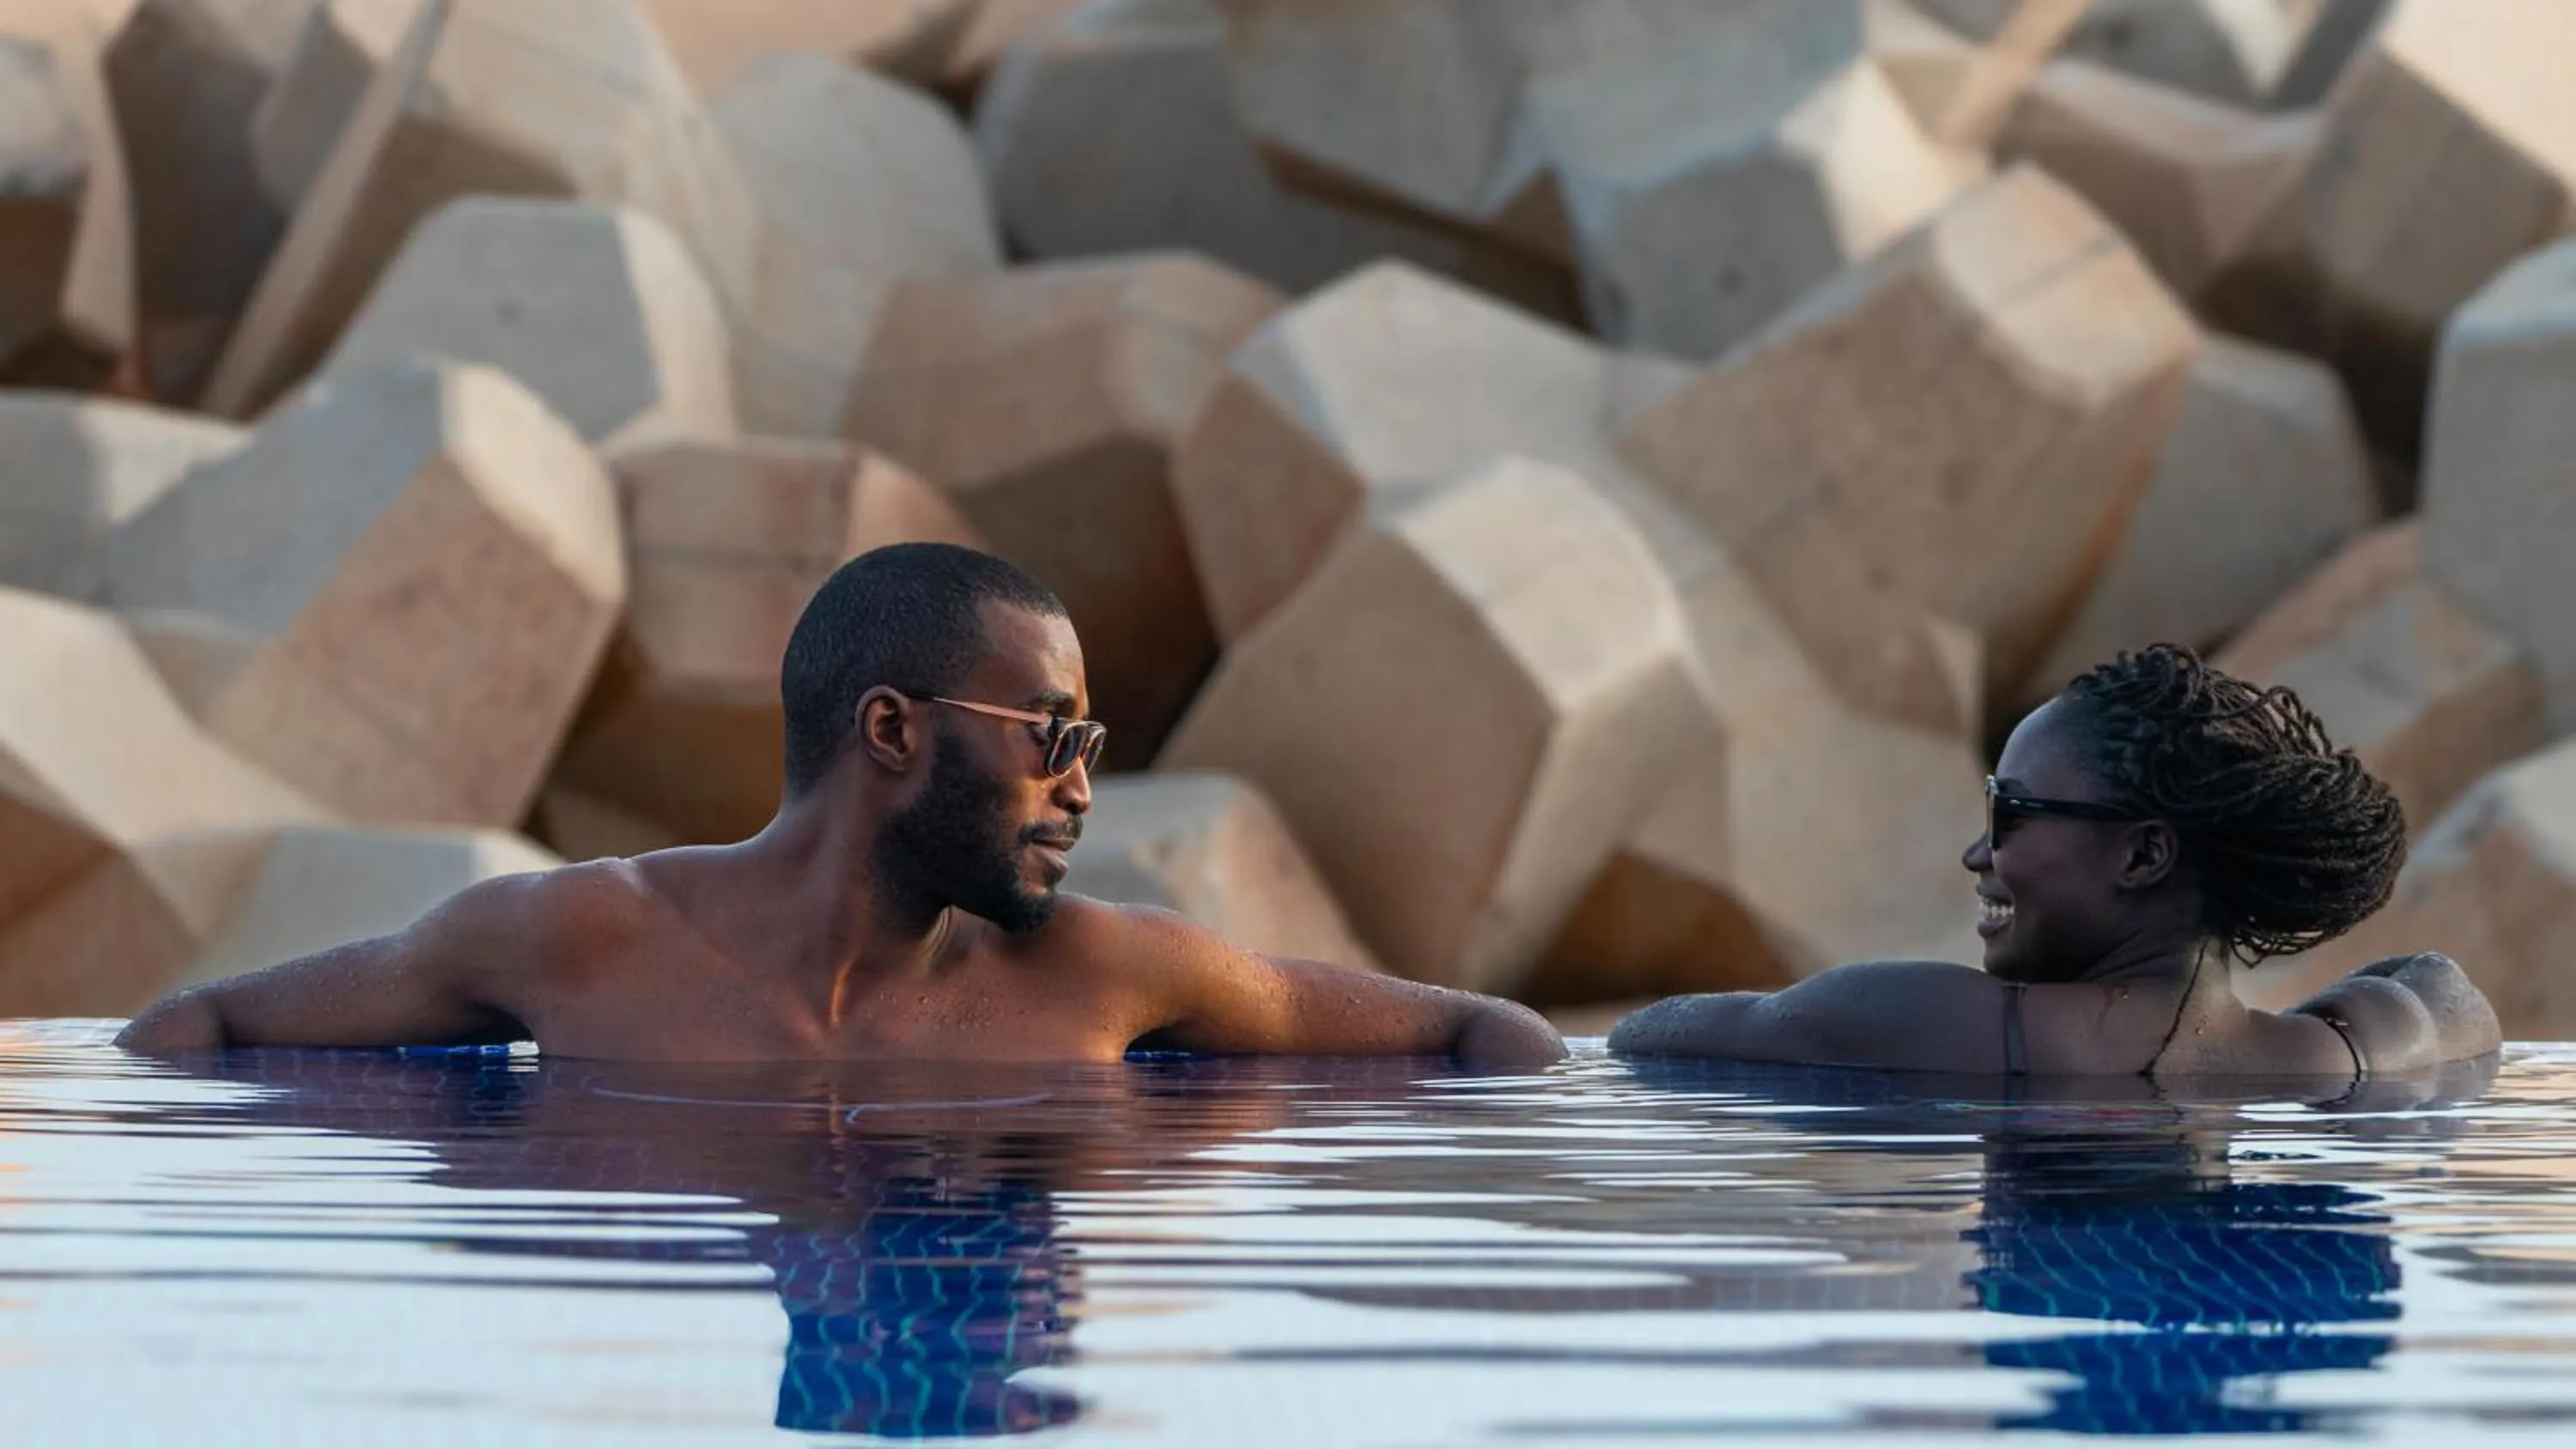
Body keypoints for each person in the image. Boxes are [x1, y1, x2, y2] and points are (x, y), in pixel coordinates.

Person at [117, 544, 1564, 1069]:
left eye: (1092, 737)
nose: (1081, 779)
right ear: (892, 729)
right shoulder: (579, 939)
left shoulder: (1117, 975)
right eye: (1053, 732)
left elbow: (1484, 1030)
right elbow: (195, 1027)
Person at [1609, 645, 2500, 1078]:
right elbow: (2443, 985)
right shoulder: (2360, 1046)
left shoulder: (1922, 1019)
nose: (1976, 851)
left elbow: (1643, 1038)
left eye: (2009, 813)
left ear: (2145, 851)